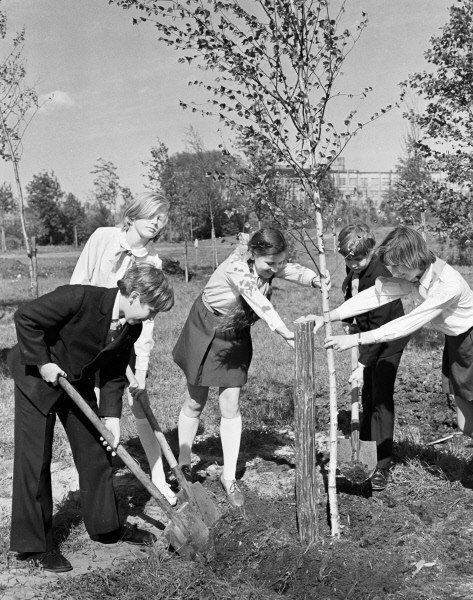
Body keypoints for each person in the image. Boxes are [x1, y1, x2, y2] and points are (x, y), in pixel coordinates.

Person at [312, 226, 473, 533]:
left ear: (413, 259)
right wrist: (329, 316)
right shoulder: (418, 274)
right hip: (458, 344)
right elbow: (377, 293)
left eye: (397, 267)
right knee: (467, 424)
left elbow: (409, 321)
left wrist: (358, 338)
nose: (393, 272)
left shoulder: (446, 283)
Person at [8, 263, 175, 572]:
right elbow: (25, 317)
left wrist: (111, 417)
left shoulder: (131, 326)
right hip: (35, 375)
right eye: (152, 309)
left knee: (97, 452)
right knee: (35, 459)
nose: (153, 317)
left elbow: (113, 372)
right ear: (134, 295)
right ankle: (34, 547)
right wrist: (42, 363)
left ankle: (106, 528)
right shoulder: (79, 298)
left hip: (75, 381)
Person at [173, 228, 327, 508]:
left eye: (280, 262)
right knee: (196, 400)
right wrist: (285, 333)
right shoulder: (236, 268)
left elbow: (290, 270)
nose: (277, 269)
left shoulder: (269, 265)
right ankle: (183, 463)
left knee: (230, 403)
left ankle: (229, 477)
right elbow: (259, 302)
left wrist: (314, 279)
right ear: (254, 254)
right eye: (271, 264)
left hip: (235, 334)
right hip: (207, 328)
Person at [70, 192, 176, 506]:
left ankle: (159, 479)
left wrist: (140, 369)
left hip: (124, 338)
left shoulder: (152, 260)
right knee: (101, 411)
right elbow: (78, 284)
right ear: (133, 214)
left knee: (139, 406)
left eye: (162, 219)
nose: (157, 223)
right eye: (152, 215)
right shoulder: (103, 238)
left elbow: (148, 320)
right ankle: (102, 488)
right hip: (88, 334)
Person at [335, 223, 409, 491]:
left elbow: (381, 329)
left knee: (381, 397)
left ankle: (382, 465)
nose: (353, 263)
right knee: (367, 395)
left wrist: (362, 365)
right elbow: (352, 292)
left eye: (359, 258)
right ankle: (363, 446)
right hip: (368, 333)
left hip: (389, 338)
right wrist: (349, 318)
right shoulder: (355, 267)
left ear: (371, 252)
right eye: (348, 258)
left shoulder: (381, 277)